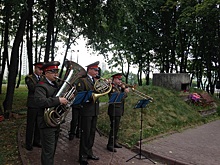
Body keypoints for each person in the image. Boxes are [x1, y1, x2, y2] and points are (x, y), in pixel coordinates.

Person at [34, 61, 69, 165]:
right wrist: (58, 100)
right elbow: (40, 102)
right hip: (46, 123)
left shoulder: (56, 85)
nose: (56, 74)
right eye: (53, 72)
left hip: (54, 122)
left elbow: (61, 101)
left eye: (57, 72)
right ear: (46, 73)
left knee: (52, 150)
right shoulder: (41, 86)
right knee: (48, 151)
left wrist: (67, 98)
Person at [76, 61, 100, 165]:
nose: (96, 72)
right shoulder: (82, 81)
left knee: (92, 133)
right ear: (89, 70)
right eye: (95, 70)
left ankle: (89, 152)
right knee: (85, 134)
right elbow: (79, 94)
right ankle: (83, 156)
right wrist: (91, 96)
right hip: (86, 111)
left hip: (94, 111)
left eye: (97, 70)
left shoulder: (96, 81)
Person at [107, 73, 129, 152]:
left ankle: (114, 142)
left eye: (121, 79)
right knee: (113, 128)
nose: (120, 81)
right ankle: (110, 144)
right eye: (119, 79)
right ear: (114, 79)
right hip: (114, 110)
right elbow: (119, 97)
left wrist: (123, 89)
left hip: (118, 110)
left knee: (116, 128)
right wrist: (124, 91)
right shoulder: (112, 87)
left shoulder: (118, 87)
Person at [25, 62, 45, 151]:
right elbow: (33, 88)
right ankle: (28, 143)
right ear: (35, 69)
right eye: (40, 69)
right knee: (30, 125)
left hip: (40, 104)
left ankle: (36, 141)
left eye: (42, 70)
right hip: (32, 105)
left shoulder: (42, 78)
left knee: (38, 124)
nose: (41, 71)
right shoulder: (29, 78)